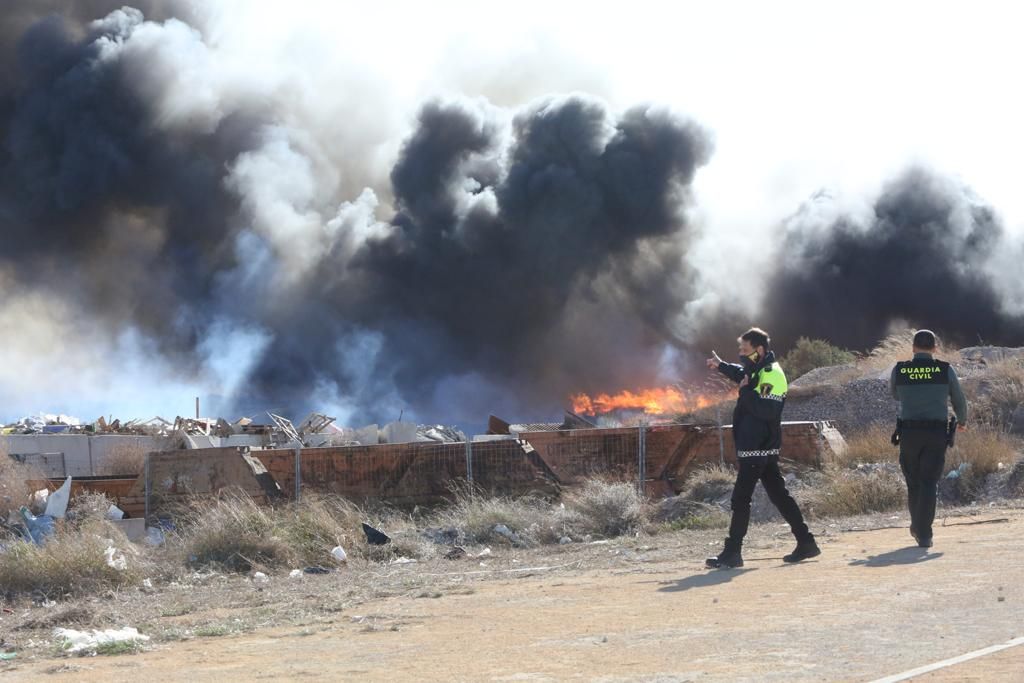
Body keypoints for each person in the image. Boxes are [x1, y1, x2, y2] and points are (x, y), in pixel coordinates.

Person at [704, 327, 820, 568]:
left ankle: (732, 552)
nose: (742, 355)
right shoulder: (758, 369)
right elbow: (744, 375)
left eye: (745, 351)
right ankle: (806, 543)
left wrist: (744, 392)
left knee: (740, 499)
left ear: (760, 350)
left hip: (757, 447)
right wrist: (721, 365)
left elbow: (767, 410)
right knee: (779, 495)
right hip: (758, 447)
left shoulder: (773, 375)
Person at [889, 329, 968, 548]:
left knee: (913, 481)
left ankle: (917, 527)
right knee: (929, 483)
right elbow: (959, 399)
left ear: (913, 348)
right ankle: (924, 533)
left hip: (909, 434)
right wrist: (962, 421)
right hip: (936, 434)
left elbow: (895, 394)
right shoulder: (945, 370)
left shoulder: (900, 370)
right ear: (935, 348)